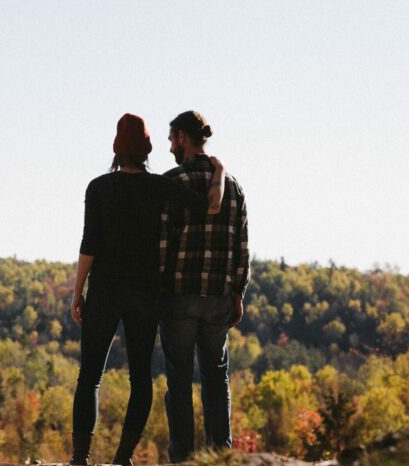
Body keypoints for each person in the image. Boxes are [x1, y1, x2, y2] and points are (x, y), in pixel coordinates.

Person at [69, 113, 224, 466]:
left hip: (105, 291)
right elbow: (209, 206)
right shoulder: (159, 187)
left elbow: (89, 244)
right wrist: (219, 170)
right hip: (145, 294)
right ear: (147, 150)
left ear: (116, 150)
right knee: (140, 378)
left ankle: (80, 459)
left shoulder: (98, 188)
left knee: (90, 376)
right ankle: (122, 458)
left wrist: (78, 292)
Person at [158, 111, 249, 462]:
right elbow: (242, 245)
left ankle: (182, 457)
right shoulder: (233, 186)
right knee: (216, 377)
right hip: (217, 298)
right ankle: (219, 456)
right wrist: (237, 293)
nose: (169, 145)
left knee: (178, 379)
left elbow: (163, 244)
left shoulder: (172, 182)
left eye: (171, 139)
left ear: (182, 137)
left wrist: (159, 291)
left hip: (179, 296)